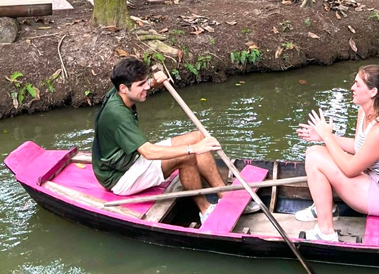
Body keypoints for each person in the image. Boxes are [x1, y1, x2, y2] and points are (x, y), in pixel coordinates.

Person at [92, 58, 259, 223]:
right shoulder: (118, 115)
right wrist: (192, 149)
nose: (146, 87)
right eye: (141, 85)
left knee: (198, 136)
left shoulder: (119, 90)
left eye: (145, 82)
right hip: (120, 178)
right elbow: (148, 152)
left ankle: (224, 196)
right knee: (186, 156)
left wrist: (153, 82)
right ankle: (205, 210)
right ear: (123, 88)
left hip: (131, 159)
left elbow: (139, 87)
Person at [295, 65, 379, 242]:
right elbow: (359, 147)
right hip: (373, 178)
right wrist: (324, 137)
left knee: (315, 159)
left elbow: (350, 169)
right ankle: (326, 208)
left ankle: (326, 232)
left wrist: (327, 136)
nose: (352, 88)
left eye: (357, 84)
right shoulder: (364, 112)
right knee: (314, 150)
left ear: (373, 92)